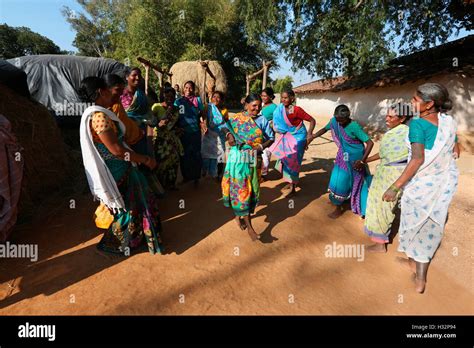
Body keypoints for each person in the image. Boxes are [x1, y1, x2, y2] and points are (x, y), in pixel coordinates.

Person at [383, 83, 459, 294]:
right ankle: (416, 270)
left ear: (429, 104)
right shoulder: (448, 121)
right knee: (430, 228)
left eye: (415, 100)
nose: (411, 103)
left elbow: (417, 160)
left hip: (421, 186)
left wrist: (395, 187)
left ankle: (419, 277)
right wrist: (455, 146)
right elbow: (453, 143)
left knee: (414, 225)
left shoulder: (417, 125)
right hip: (441, 185)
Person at [79, 76, 163, 256]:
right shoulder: (99, 117)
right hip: (117, 169)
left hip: (120, 166)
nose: (114, 93)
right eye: (110, 90)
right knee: (129, 207)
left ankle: (131, 240)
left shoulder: (100, 113)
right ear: (101, 91)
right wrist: (145, 159)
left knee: (133, 206)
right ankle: (113, 244)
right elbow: (117, 150)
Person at [221, 94, 273, 241]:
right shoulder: (237, 118)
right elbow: (225, 127)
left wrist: (260, 147)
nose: (257, 108)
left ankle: (238, 216)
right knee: (241, 189)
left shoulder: (263, 120)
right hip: (237, 159)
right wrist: (229, 135)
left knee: (252, 189)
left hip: (253, 159)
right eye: (254, 106)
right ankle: (250, 227)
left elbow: (271, 137)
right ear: (246, 105)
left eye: (259, 106)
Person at [363, 103, 411, 253]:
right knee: (377, 203)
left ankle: (380, 244)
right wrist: (365, 160)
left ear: (402, 118)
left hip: (394, 175)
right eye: (387, 115)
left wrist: (396, 185)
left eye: (391, 116)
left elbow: (414, 157)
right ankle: (378, 237)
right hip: (383, 173)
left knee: (385, 206)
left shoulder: (408, 134)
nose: (387, 119)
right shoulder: (391, 133)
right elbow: (384, 155)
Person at [312, 105, 374, 218]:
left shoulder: (354, 126)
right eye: (337, 120)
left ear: (347, 118)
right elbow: (325, 129)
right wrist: (312, 136)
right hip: (343, 155)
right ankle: (338, 204)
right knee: (338, 180)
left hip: (355, 159)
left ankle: (354, 206)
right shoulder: (334, 121)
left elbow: (370, 143)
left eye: (342, 120)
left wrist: (362, 161)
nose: (339, 123)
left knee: (354, 182)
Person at [269, 89, 316, 195]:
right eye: (282, 97)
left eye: (286, 98)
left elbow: (312, 120)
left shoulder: (297, 110)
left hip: (299, 137)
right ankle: (290, 181)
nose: (283, 100)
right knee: (285, 159)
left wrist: (309, 135)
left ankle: (293, 187)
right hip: (287, 137)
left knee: (294, 161)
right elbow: (277, 124)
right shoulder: (279, 109)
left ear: (292, 99)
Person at [174, 80, 206, 186]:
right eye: (186, 87)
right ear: (183, 89)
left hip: (195, 131)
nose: (188, 90)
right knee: (184, 155)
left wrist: (203, 123)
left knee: (196, 154)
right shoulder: (178, 102)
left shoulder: (197, 100)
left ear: (194, 89)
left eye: (190, 87)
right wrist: (177, 128)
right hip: (183, 132)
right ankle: (186, 177)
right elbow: (175, 115)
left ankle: (196, 176)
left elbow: (202, 113)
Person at [151, 87, 184, 190]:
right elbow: (151, 122)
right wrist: (158, 123)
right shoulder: (156, 107)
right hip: (160, 139)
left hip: (172, 139)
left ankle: (171, 184)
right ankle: (160, 186)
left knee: (173, 161)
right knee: (161, 162)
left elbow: (177, 124)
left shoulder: (176, 109)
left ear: (175, 97)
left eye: (172, 96)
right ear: (163, 96)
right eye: (167, 96)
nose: (169, 98)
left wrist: (179, 130)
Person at [120, 67, 155, 157]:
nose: (138, 77)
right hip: (126, 136)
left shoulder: (141, 95)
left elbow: (147, 114)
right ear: (127, 77)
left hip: (142, 135)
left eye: (139, 75)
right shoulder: (120, 95)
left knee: (144, 161)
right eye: (134, 75)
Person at [201, 91, 229, 180]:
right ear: (211, 98)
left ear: (221, 100)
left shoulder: (224, 110)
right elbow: (202, 116)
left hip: (220, 135)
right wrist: (203, 124)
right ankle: (207, 170)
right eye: (214, 97)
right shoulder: (207, 107)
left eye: (218, 97)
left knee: (220, 154)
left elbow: (226, 123)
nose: (216, 99)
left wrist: (228, 133)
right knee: (207, 154)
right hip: (209, 135)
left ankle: (219, 174)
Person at [260, 87, 277, 177]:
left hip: (267, 133)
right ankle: (259, 172)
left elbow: (277, 121)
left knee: (266, 153)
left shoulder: (274, 107)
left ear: (270, 97)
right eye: (262, 95)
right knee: (257, 152)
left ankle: (264, 174)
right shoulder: (260, 104)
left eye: (265, 96)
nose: (263, 97)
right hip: (257, 133)